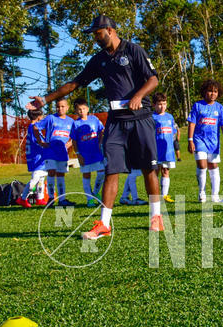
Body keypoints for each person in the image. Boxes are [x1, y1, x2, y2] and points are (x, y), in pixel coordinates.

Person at [27, 14, 163, 239]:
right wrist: (45, 100)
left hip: (141, 118)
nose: (96, 39)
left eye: (98, 34)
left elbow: (154, 79)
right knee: (111, 169)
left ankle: (156, 218)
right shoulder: (99, 59)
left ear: (110, 30)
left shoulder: (134, 51)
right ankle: (104, 224)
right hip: (116, 121)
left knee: (149, 168)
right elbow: (74, 83)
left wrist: (138, 96)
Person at [187, 80, 223, 203]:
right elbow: (192, 124)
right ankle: (202, 193)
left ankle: (215, 195)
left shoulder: (219, 108)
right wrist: (190, 140)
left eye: (215, 91)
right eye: (210, 91)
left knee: (213, 165)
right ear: (205, 92)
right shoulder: (197, 106)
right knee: (202, 165)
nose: (212, 94)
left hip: (214, 143)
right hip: (199, 141)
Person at [34, 99, 75, 208]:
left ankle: (62, 199)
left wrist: (69, 143)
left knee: (61, 175)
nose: (60, 108)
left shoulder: (71, 121)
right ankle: (51, 198)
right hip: (50, 151)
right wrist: (40, 141)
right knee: (51, 173)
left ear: (67, 108)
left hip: (62, 153)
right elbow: (35, 127)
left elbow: (74, 136)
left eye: (62, 106)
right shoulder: (50, 118)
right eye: (58, 106)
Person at [70, 98, 105, 207]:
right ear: (76, 111)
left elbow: (102, 131)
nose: (82, 111)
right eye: (79, 109)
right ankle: (89, 199)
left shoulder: (94, 119)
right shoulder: (75, 124)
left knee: (102, 172)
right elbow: (74, 140)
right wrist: (78, 154)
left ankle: (94, 192)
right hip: (84, 155)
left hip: (96, 153)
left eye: (83, 109)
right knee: (86, 175)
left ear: (88, 109)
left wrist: (100, 143)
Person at [17, 109, 49, 208]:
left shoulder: (34, 128)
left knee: (41, 179)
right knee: (35, 178)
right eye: (42, 116)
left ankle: (40, 198)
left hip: (40, 156)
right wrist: (48, 145)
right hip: (36, 156)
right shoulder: (33, 128)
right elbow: (38, 142)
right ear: (38, 117)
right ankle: (22, 199)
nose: (43, 118)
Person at [153, 93, 180, 203]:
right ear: (154, 105)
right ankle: (155, 195)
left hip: (168, 150)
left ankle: (164, 195)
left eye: (164, 104)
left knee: (166, 171)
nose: (162, 106)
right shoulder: (152, 117)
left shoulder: (170, 117)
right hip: (156, 150)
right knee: (155, 172)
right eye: (159, 104)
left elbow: (173, 132)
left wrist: (175, 144)